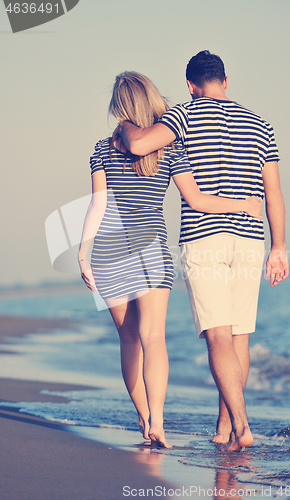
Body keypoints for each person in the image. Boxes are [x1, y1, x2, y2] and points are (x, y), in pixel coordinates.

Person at [78, 71, 263, 449]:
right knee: (153, 337)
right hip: (152, 248)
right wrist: (242, 205)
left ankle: (145, 420)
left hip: (109, 249)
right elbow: (196, 201)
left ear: (120, 106)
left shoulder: (101, 148)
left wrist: (83, 251)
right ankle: (159, 423)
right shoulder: (170, 149)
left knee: (128, 339)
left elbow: (98, 204)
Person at [119, 51, 289, 451]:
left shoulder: (185, 115)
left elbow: (141, 144)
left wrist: (127, 124)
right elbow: (274, 193)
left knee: (218, 338)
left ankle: (242, 427)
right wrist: (279, 246)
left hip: (205, 236)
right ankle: (223, 429)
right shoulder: (261, 124)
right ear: (226, 82)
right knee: (240, 338)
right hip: (251, 238)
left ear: (191, 86)